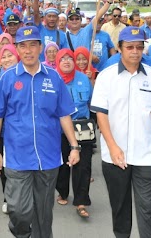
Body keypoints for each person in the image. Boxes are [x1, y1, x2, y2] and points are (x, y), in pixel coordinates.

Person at [0, 26, 80, 238]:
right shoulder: (7, 78)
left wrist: (74, 146)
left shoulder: (54, 78)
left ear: (40, 47)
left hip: (48, 157)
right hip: (17, 156)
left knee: (43, 213)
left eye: (32, 45)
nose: (28, 50)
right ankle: (20, 230)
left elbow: (64, 114)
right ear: (17, 50)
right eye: (22, 46)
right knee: (19, 209)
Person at [90, 26, 151, 238]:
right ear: (120, 49)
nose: (135, 51)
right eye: (130, 47)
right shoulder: (106, 77)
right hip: (114, 155)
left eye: (139, 47)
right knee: (120, 205)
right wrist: (113, 146)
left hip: (145, 153)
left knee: (148, 206)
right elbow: (101, 115)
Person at [54, 48, 94, 219]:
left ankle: (81, 200)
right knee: (62, 164)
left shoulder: (84, 79)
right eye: (62, 59)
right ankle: (62, 192)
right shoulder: (52, 79)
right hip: (58, 128)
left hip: (81, 128)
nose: (66, 61)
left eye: (69, 58)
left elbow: (92, 103)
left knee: (83, 166)